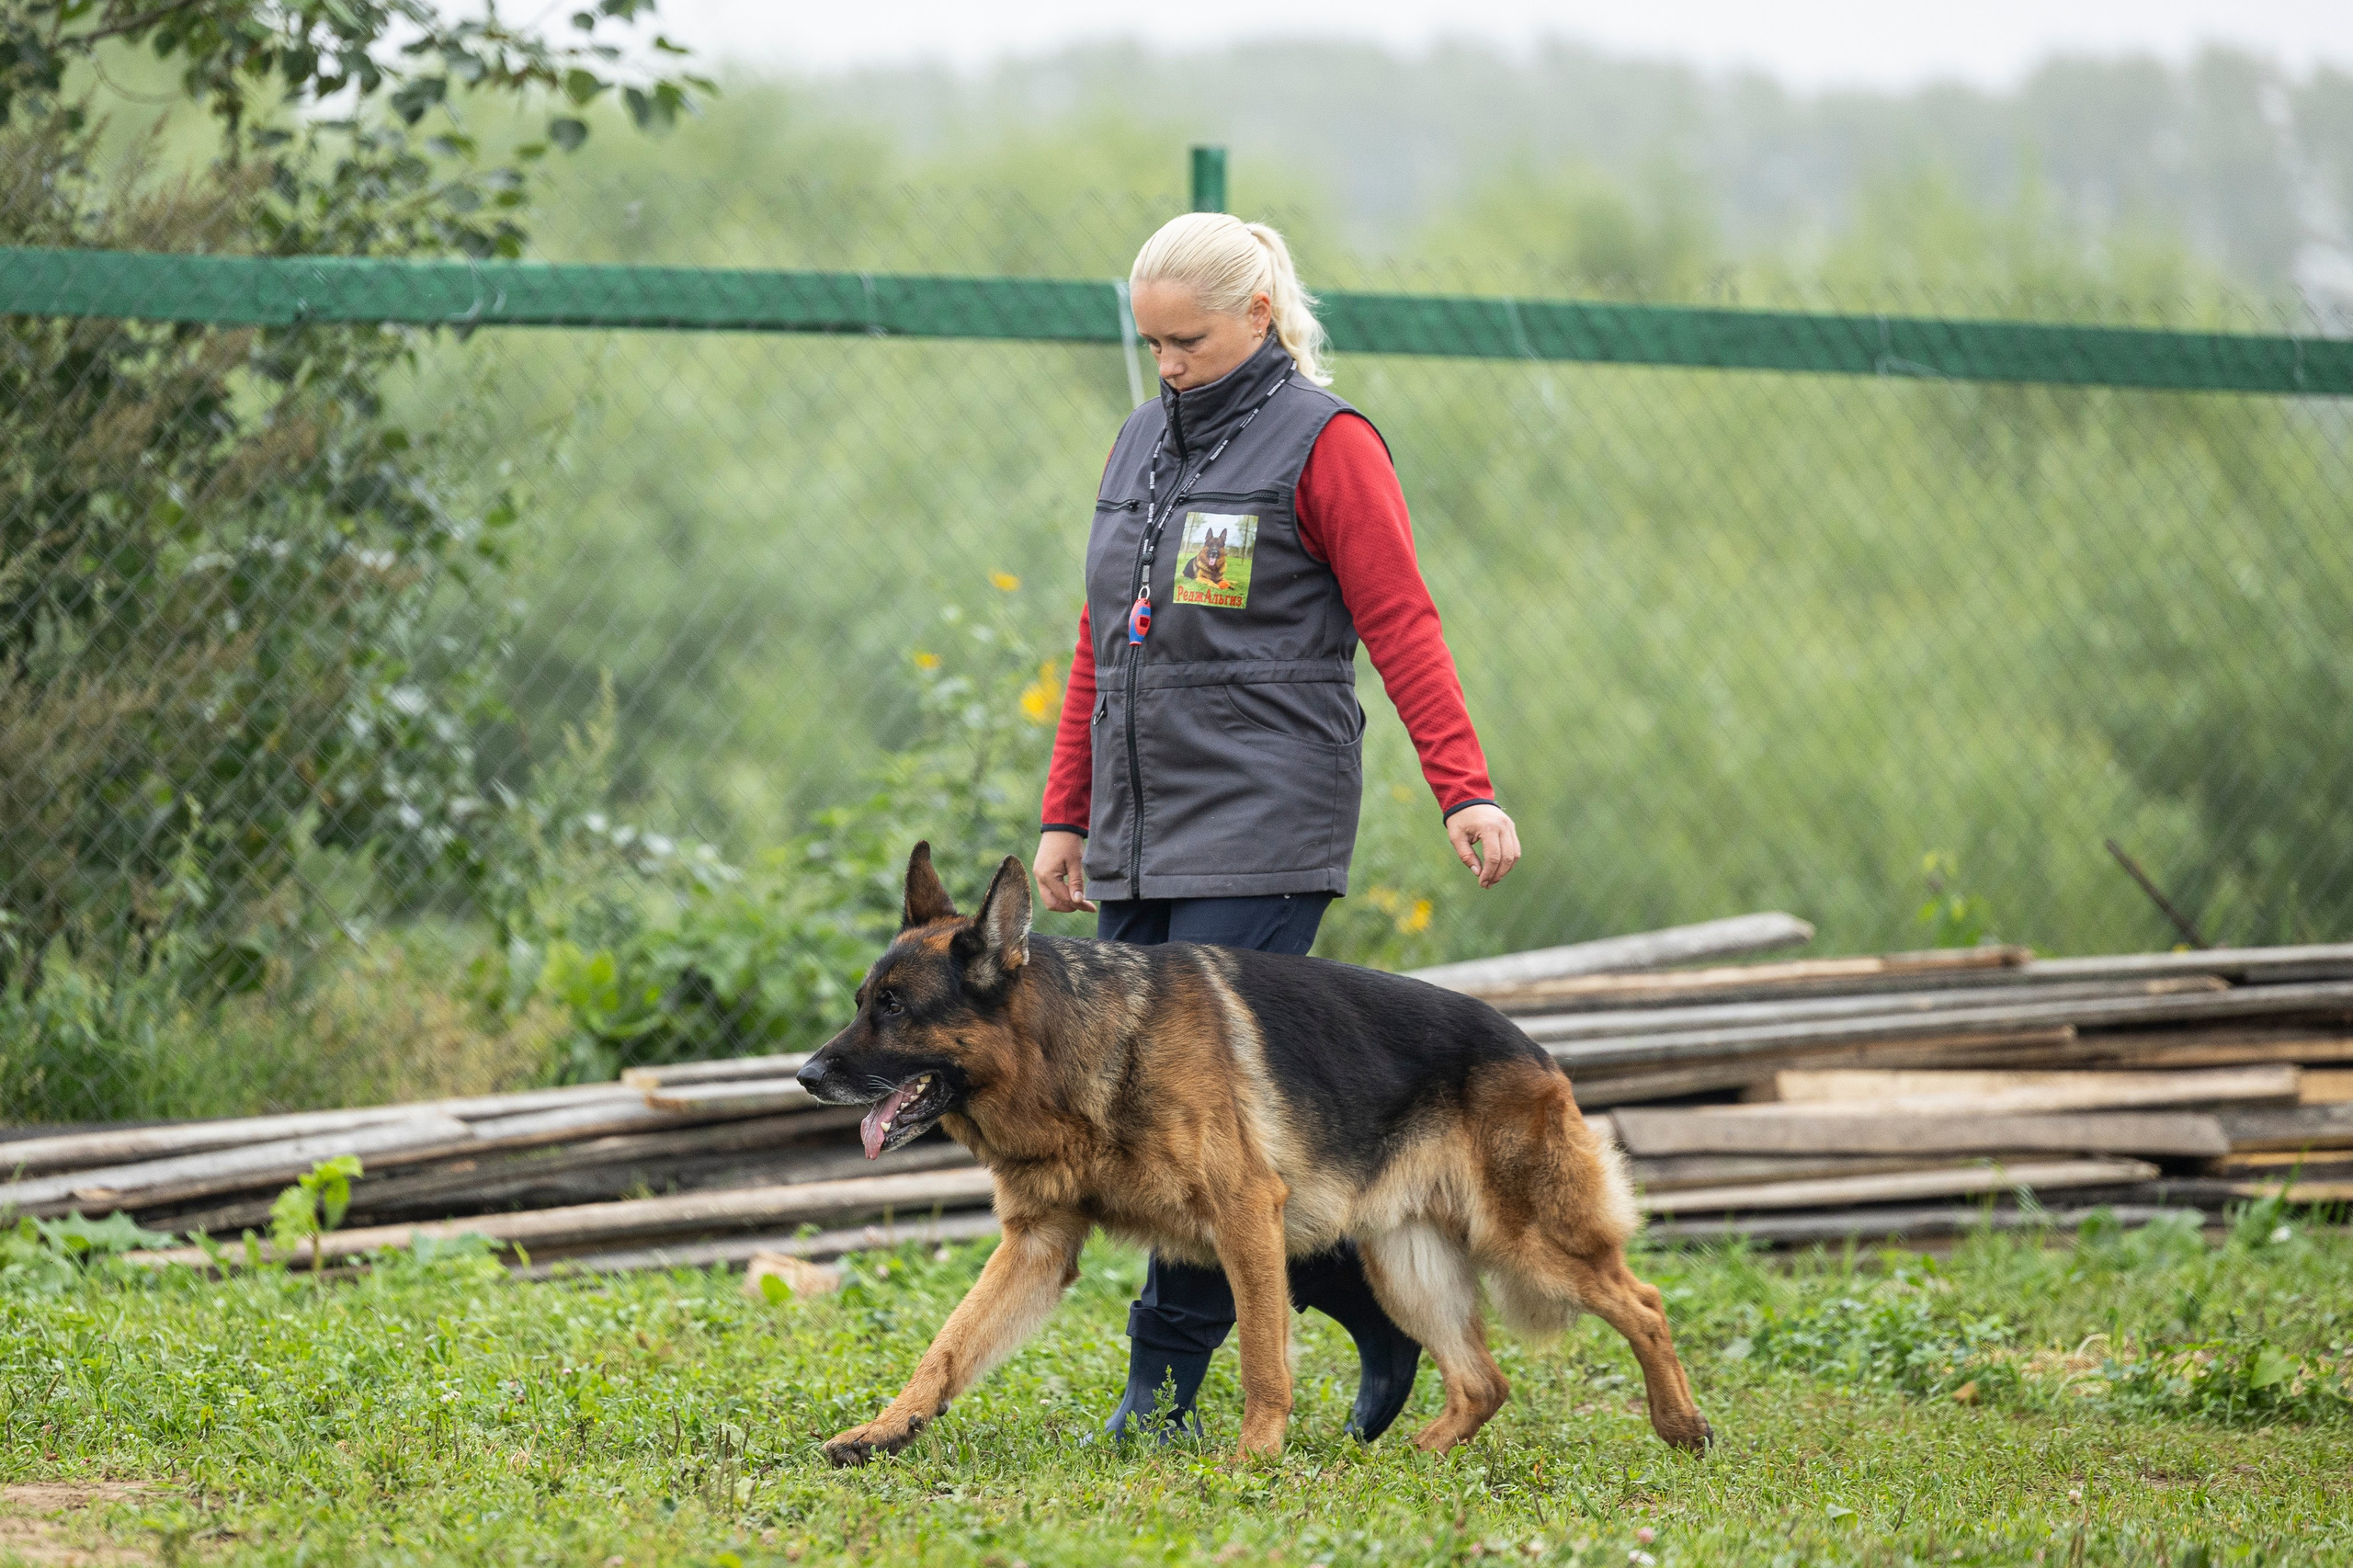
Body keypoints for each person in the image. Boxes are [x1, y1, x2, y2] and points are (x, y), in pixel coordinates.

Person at [1032, 210, 1521, 1443]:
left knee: (1193, 1123)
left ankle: (1161, 1386)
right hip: (1143, 822)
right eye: (1150, 344)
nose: (1167, 365)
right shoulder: (1141, 439)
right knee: (1134, 1110)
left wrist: (1463, 785)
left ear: (1258, 315)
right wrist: (1067, 812)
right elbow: (1101, 638)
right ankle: (1366, 1302)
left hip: (1263, 815)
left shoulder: (1330, 444)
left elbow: (1403, 621)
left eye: (1186, 340)